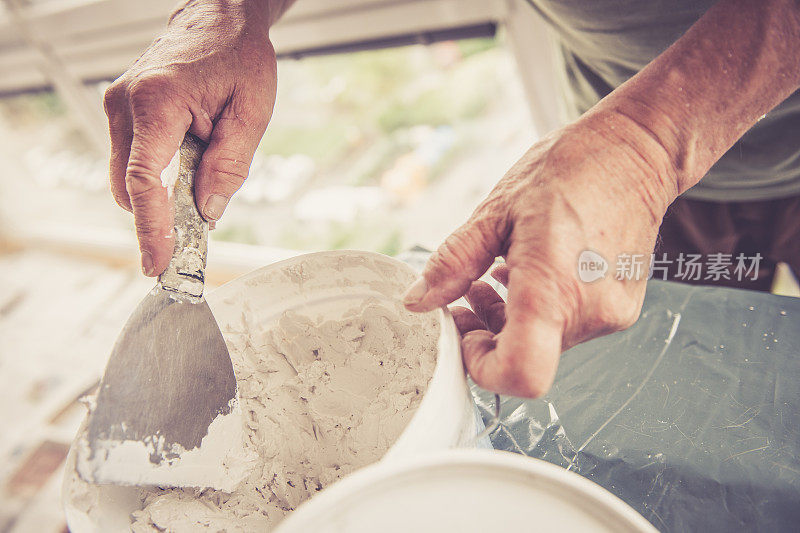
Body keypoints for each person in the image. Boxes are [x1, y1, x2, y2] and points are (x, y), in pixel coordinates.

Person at [103, 0, 800, 398]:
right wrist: (229, 12)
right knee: (685, 377)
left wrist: (647, 143)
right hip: (625, 173)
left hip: (644, 147)